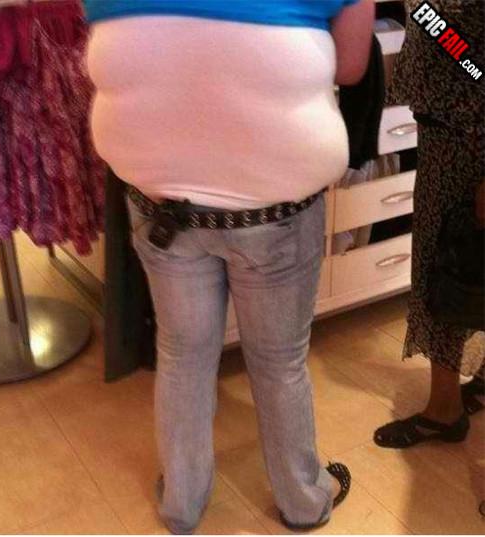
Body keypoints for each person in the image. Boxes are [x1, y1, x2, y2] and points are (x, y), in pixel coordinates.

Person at [85, 1, 374, 533]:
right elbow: (352, 67)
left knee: (182, 354)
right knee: (279, 362)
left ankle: (182, 500)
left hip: (163, 207)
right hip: (273, 213)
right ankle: (302, 502)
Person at [374, 0, 485, 449]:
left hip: (467, 142)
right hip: (448, 132)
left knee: (445, 271)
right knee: (471, 264)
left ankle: (444, 411)